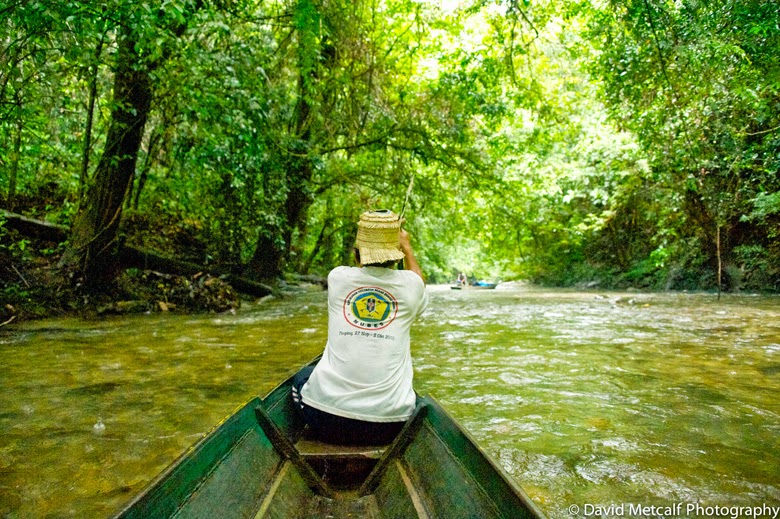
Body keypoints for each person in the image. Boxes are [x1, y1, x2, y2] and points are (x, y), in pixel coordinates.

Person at [291, 209, 428, 444]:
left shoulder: (338, 277)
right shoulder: (411, 286)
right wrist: (407, 247)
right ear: (396, 256)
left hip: (325, 422)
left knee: (302, 376)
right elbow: (418, 283)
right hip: (388, 428)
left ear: (357, 253)